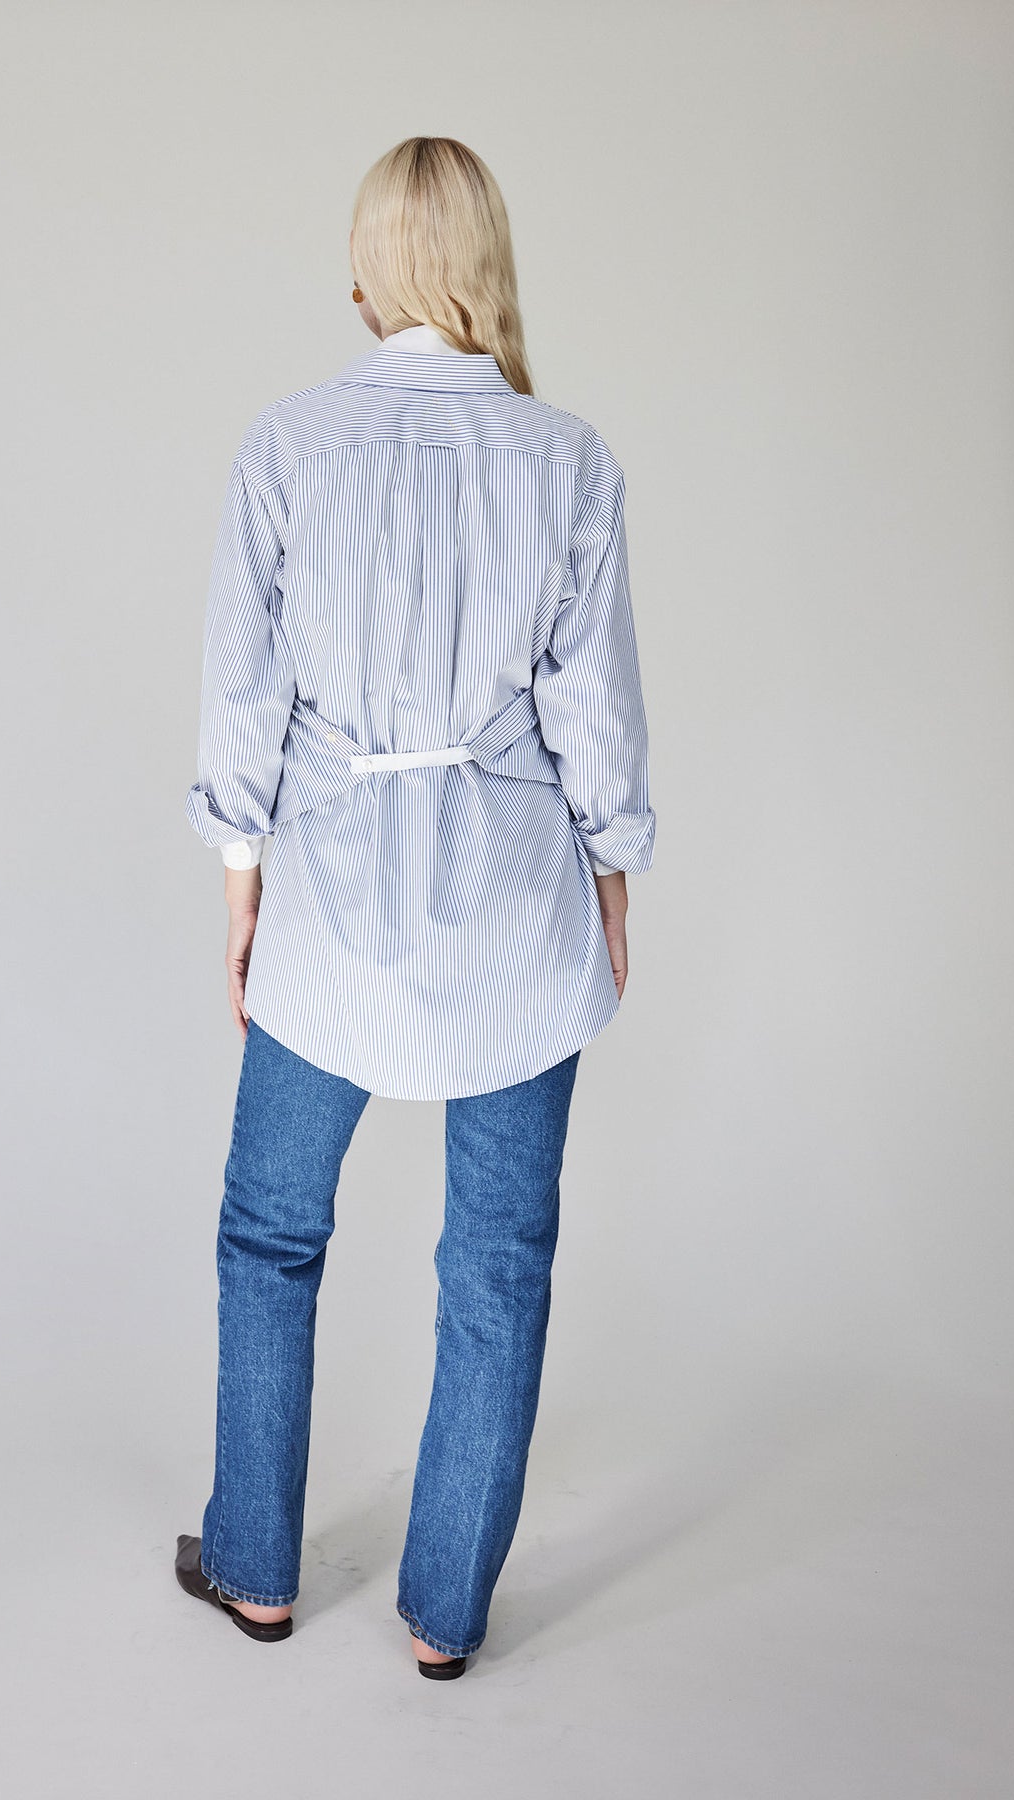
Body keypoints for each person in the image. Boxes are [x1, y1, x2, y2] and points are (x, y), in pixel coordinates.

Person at [175, 136, 655, 1680]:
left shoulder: (287, 442)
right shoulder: (568, 456)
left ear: (368, 273)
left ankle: (255, 1567)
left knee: (271, 1230)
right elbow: (595, 714)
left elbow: (242, 700)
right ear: (491, 266)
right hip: (519, 904)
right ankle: (445, 1614)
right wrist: (613, 879)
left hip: (328, 895)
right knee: (500, 1260)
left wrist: (241, 886)